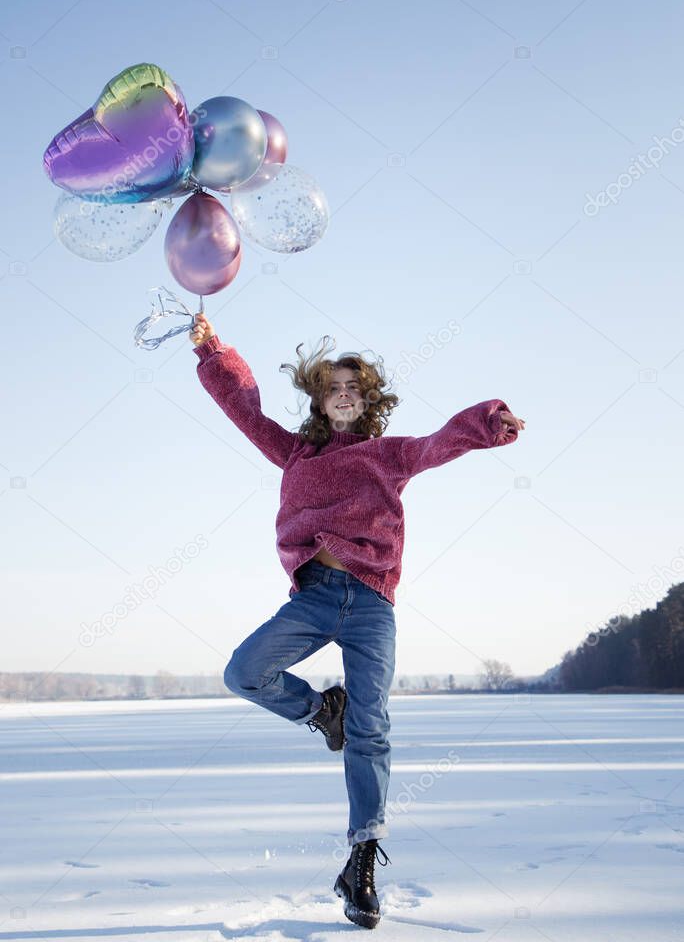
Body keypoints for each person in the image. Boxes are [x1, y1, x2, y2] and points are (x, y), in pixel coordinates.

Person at [189, 313, 525, 929]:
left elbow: (438, 443)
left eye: (354, 386)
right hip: (314, 596)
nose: (343, 393)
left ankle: (361, 861)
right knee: (245, 672)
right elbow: (245, 409)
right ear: (320, 398)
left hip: (371, 602)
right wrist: (213, 350)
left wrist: (487, 422)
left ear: (367, 400)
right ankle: (322, 712)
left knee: (372, 730)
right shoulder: (294, 451)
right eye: (333, 385)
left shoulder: (387, 455)